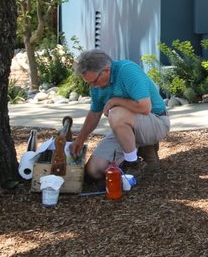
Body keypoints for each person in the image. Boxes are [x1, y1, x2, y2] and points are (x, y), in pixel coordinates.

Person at [71, 49, 170, 180]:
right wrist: (80, 139)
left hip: (156, 122)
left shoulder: (127, 71)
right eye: (88, 83)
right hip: (126, 128)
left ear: (106, 70)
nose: (93, 86)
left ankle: (133, 163)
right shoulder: (96, 86)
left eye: (94, 81)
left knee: (116, 113)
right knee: (94, 171)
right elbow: (94, 114)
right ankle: (143, 151)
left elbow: (145, 107)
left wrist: (115, 101)